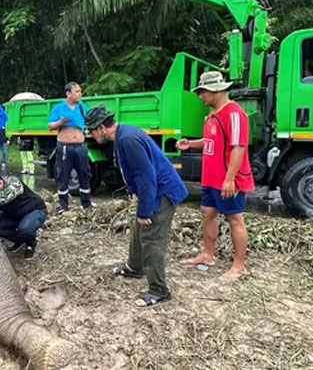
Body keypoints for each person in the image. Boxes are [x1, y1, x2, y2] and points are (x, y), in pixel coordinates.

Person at [85, 105, 188, 307]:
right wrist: (136, 193)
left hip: (162, 192)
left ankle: (159, 290)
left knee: (151, 238)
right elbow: (136, 171)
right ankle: (135, 267)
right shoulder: (123, 135)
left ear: (101, 128)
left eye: (91, 131)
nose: (91, 136)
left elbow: (146, 175)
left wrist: (145, 209)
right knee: (138, 229)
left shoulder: (128, 139)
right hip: (152, 190)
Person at [177, 71, 255, 280]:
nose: (201, 97)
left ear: (216, 90)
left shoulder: (234, 114)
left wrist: (230, 179)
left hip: (227, 179)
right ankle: (207, 255)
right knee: (207, 212)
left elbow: (238, 148)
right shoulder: (212, 115)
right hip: (211, 178)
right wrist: (191, 144)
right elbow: (211, 141)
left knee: (234, 218)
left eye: (203, 92)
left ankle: (239, 266)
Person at [0, 169, 47, 259]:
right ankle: (20, 240)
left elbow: (2, 199)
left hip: (34, 210)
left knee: (25, 229)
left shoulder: (14, 183)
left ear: (0, 183)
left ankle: (31, 243)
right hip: (13, 214)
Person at [47, 82, 91, 214]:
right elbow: (50, 126)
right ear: (68, 93)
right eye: (77, 91)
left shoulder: (82, 107)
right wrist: (62, 122)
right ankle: (63, 205)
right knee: (63, 175)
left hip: (80, 146)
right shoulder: (59, 108)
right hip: (65, 147)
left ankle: (86, 204)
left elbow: (89, 122)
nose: (80, 94)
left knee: (85, 174)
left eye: (80, 91)